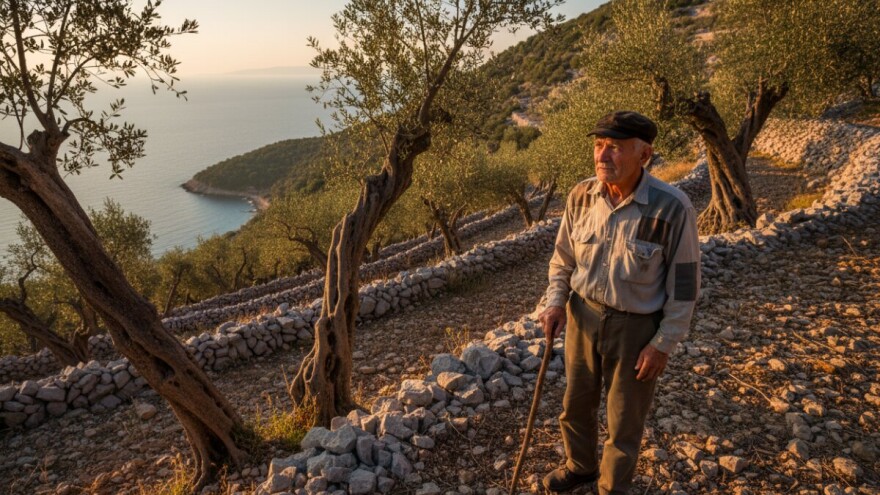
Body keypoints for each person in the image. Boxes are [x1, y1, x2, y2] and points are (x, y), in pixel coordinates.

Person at [540, 111, 701, 493]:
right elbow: (562, 259)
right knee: (575, 406)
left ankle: (612, 488)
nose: (602, 156)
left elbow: (684, 286)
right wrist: (556, 302)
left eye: (614, 147)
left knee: (624, 421)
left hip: (635, 329)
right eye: (598, 146)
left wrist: (662, 344)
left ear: (644, 155)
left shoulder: (673, 208)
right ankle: (580, 467)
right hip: (582, 318)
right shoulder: (581, 195)